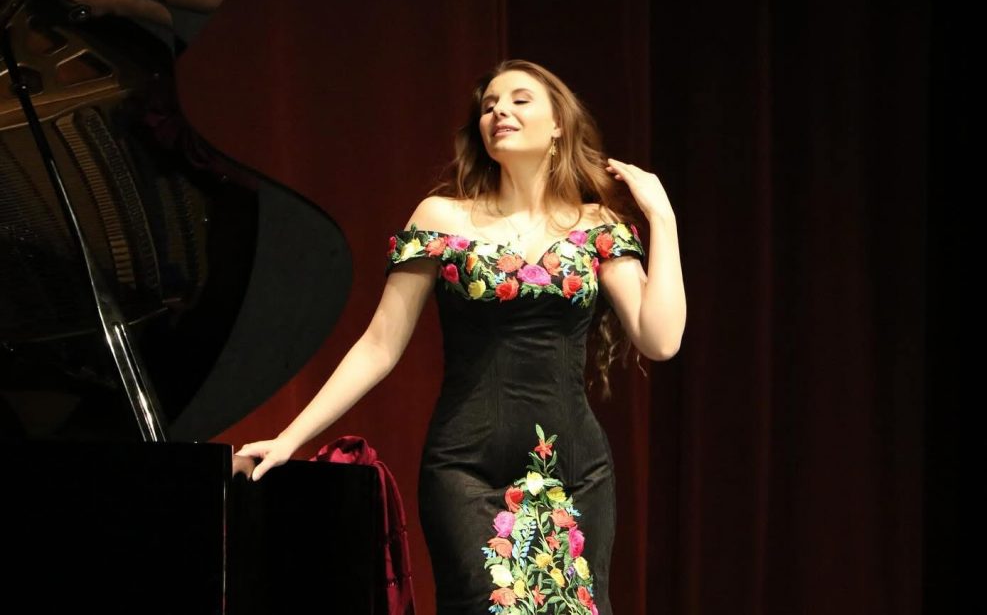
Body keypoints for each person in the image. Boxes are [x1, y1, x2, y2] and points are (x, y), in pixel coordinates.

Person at [236, 60, 686, 613]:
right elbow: (379, 344)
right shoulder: (441, 217)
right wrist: (290, 438)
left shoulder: (597, 227)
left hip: (576, 472)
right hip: (466, 470)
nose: (499, 111)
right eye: (489, 105)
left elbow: (661, 339)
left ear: (558, 125)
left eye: (519, 99)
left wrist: (662, 217)